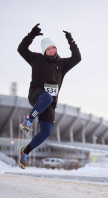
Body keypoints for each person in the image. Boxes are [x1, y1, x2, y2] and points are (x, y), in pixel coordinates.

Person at [17, 23, 81, 169]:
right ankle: (28, 121)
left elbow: (77, 57)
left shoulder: (62, 64)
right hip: (36, 94)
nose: (52, 50)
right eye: (48, 48)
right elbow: (21, 49)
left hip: (50, 103)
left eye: (53, 47)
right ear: (44, 51)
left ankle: (25, 151)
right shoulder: (37, 59)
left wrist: (71, 40)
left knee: (46, 131)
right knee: (47, 97)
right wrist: (31, 35)